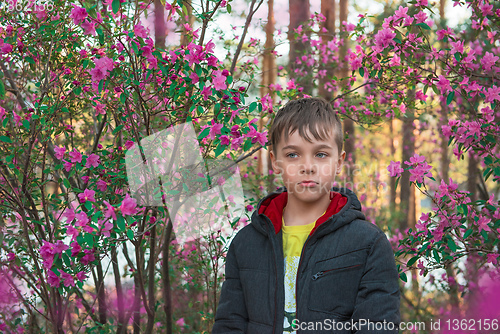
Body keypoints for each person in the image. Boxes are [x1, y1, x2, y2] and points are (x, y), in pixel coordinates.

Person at [212, 97, 400, 334]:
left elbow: (377, 327)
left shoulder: (367, 243)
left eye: (320, 154)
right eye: (293, 155)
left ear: (339, 161)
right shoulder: (245, 244)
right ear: (275, 161)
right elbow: (230, 325)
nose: (307, 166)